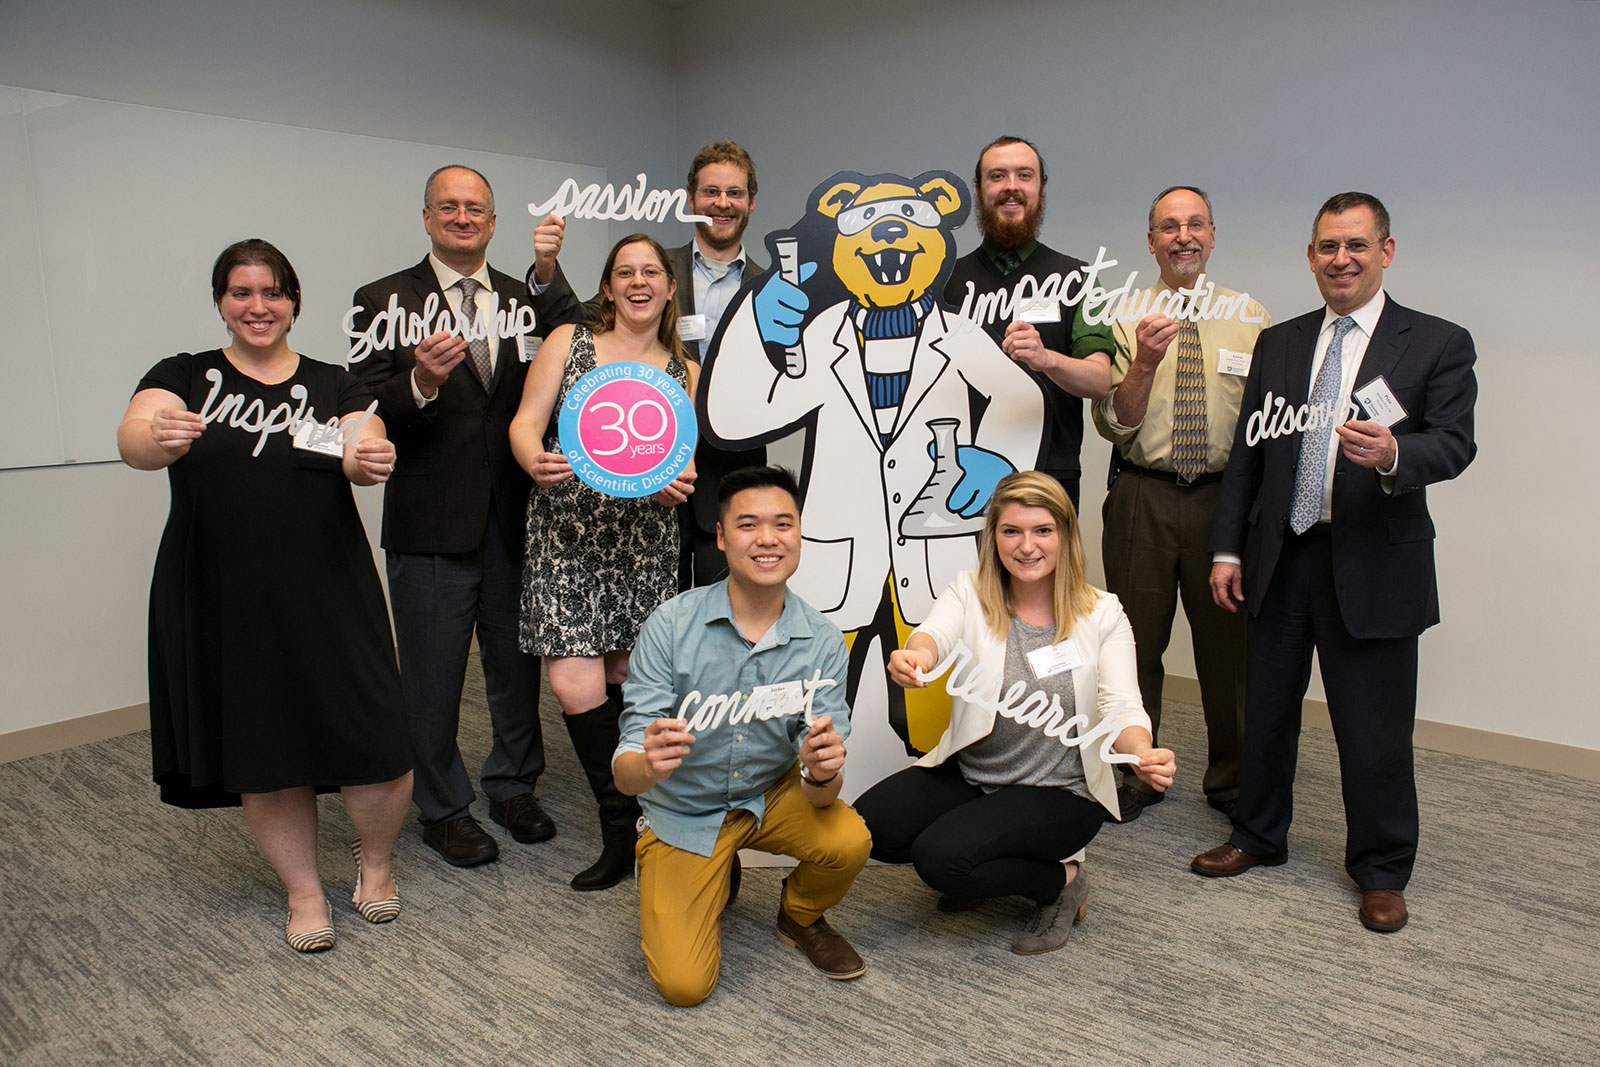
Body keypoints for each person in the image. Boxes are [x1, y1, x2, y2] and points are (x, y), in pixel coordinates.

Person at [1192, 193, 1478, 934]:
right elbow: (1248, 461)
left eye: (1356, 245)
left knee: (1374, 727)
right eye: (1326, 246)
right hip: (1282, 558)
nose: (1340, 259)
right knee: (1269, 713)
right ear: (1310, 256)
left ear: (1386, 251)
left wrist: (1394, 454)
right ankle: (1257, 834)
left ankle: (1382, 869)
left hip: (1374, 565)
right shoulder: (1281, 343)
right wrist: (1228, 547)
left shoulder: (1437, 343)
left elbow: (1454, 442)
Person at [118, 239, 413, 953]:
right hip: (224, 592)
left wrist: (367, 454)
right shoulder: (184, 375)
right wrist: (157, 433)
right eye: (242, 292)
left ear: (294, 302)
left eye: (272, 292)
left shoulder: (332, 380)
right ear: (222, 302)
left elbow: (361, 442)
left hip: (331, 588)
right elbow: (134, 437)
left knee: (377, 739)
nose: (258, 306)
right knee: (266, 742)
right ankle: (303, 890)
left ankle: (375, 863)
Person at [854, 471, 1175, 955]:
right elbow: (933, 635)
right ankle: (985, 865)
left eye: (1042, 530)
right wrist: (915, 656)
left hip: (1061, 793)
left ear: (1065, 536)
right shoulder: (971, 592)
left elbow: (1121, 703)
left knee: (939, 862)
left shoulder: (1103, 612)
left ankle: (1062, 881)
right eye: (1011, 531)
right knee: (866, 829)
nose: (1027, 546)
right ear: (993, 538)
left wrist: (1141, 753)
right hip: (975, 775)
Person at [349, 165, 552, 870]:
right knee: (433, 677)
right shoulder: (380, 300)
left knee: (515, 668)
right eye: (449, 207)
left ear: (493, 224)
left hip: (515, 518)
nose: (463, 218)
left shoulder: (526, 299)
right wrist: (421, 381)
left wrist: (549, 270)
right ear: (428, 218)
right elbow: (366, 406)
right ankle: (443, 808)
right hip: (431, 520)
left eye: (476, 209)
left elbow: (568, 357)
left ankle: (513, 785)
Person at [615, 465, 872, 1006]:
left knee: (849, 840)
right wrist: (649, 764)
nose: (767, 539)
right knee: (685, 987)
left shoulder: (823, 640)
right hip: (684, 811)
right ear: (721, 536)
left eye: (783, 524)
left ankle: (799, 916)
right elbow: (625, 768)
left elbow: (823, 792)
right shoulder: (670, 624)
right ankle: (692, 866)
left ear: (799, 534)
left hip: (768, 796)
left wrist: (822, 771)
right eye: (748, 524)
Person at [509, 234, 698, 891]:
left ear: (670, 288)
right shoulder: (570, 342)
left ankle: (644, 827)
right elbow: (526, 422)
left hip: (644, 540)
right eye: (626, 272)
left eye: (652, 272)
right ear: (609, 286)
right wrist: (533, 457)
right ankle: (619, 823)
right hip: (568, 533)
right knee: (573, 681)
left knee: (629, 675)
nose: (639, 281)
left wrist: (682, 479)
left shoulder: (683, 371)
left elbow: (683, 455)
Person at [1091, 186, 1272, 821]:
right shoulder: (1121, 314)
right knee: (1131, 645)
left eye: (1195, 224)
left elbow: (1266, 429)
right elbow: (1113, 425)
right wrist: (1142, 362)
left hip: (1224, 502)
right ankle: (1135, 775)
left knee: (1229, 650)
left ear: (1214, 235)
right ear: (1151, 242)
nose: (1183, 236)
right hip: (1143, 493)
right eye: (1169, 227)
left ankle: (1231, 781)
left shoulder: (1251, 318)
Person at [528, 140, 766, 588]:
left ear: (751, 202)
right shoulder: (653, 266)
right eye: (711, 191)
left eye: (734, 193)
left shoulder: (773, 287)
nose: (722, 203)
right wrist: (546, 271)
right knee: (657, 629)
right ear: (691, 199)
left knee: (728, 625)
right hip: (646, 479)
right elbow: (580, 321)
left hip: (731, 483)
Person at [944, 136, 1114, 510]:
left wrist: (1046, 359)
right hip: (957, 478)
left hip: (1050, 476)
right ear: (978, 189)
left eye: (1025, 175)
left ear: (1040, 189)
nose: (1011, 187)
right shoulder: (942, 282)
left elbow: (1102, 381)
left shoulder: (1080, 278)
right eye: (997, 176)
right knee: (966, 574)